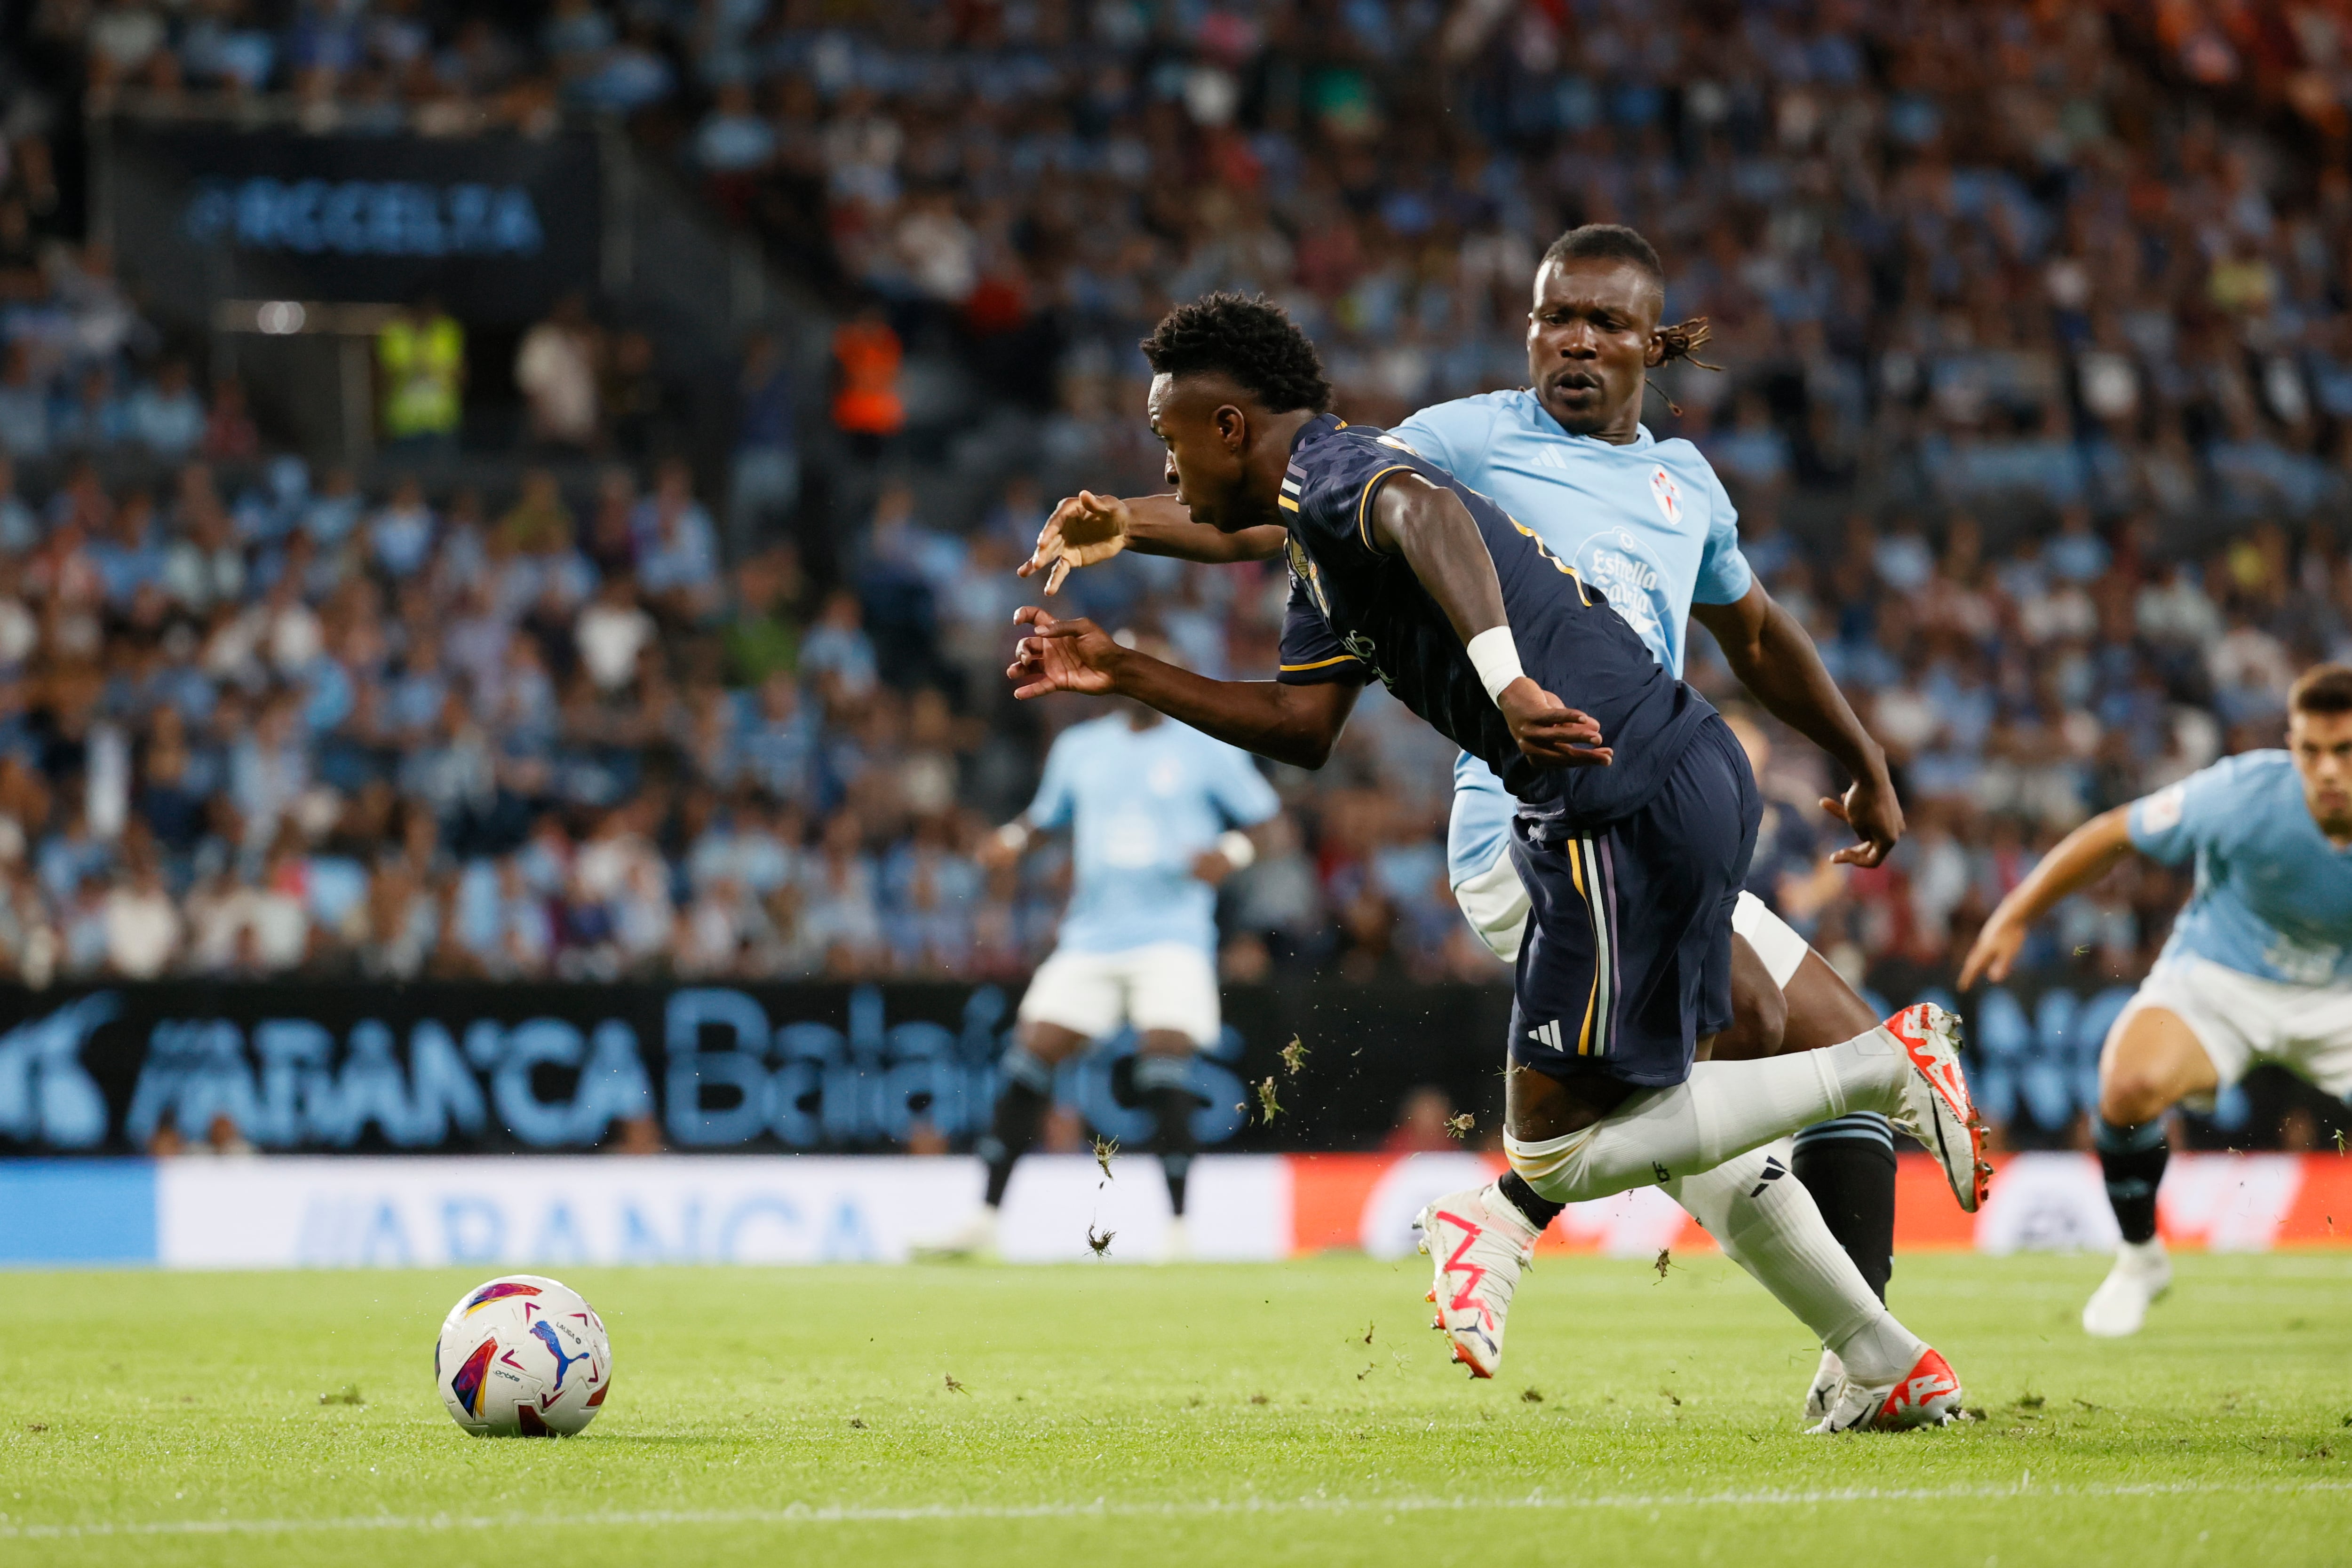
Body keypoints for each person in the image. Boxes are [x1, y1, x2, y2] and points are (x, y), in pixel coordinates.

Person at [1008, 293, 1985, 1430]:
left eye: (1168, 442)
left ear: (1230, 428)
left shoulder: (1347, 469)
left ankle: (1868, 1077)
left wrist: (1503, 673)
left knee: (1564, 1147)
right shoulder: (1328, 544)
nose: (1162, 475)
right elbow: (1298, 725)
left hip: (1607, 795)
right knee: (1656, 1103)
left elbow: (1421, 512)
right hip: (1652, 780)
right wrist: (1125, 668)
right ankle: (1883, 1351)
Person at [1961, 662, 2352, 1338]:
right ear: (2290, 743)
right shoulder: (2242, 792)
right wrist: (2017, 914)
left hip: (2340, 993)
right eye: (2310, 749)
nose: (2325, 770)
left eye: (2344, 751)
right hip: (2223, 976)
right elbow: (2115, 833)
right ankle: (2140, 1257)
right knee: (2129, 1083)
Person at [921, 632, 1278, 1262]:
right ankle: (985, 1217)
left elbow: (1269, 823)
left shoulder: (1203, 743)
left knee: (1163, 1057)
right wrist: (1009, 839)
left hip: (1173, 934)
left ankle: (1178, 1228)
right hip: (1091, 935)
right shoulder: (1081, 749)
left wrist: (1232, 851)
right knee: (1030, 1053)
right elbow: (1044, 817)